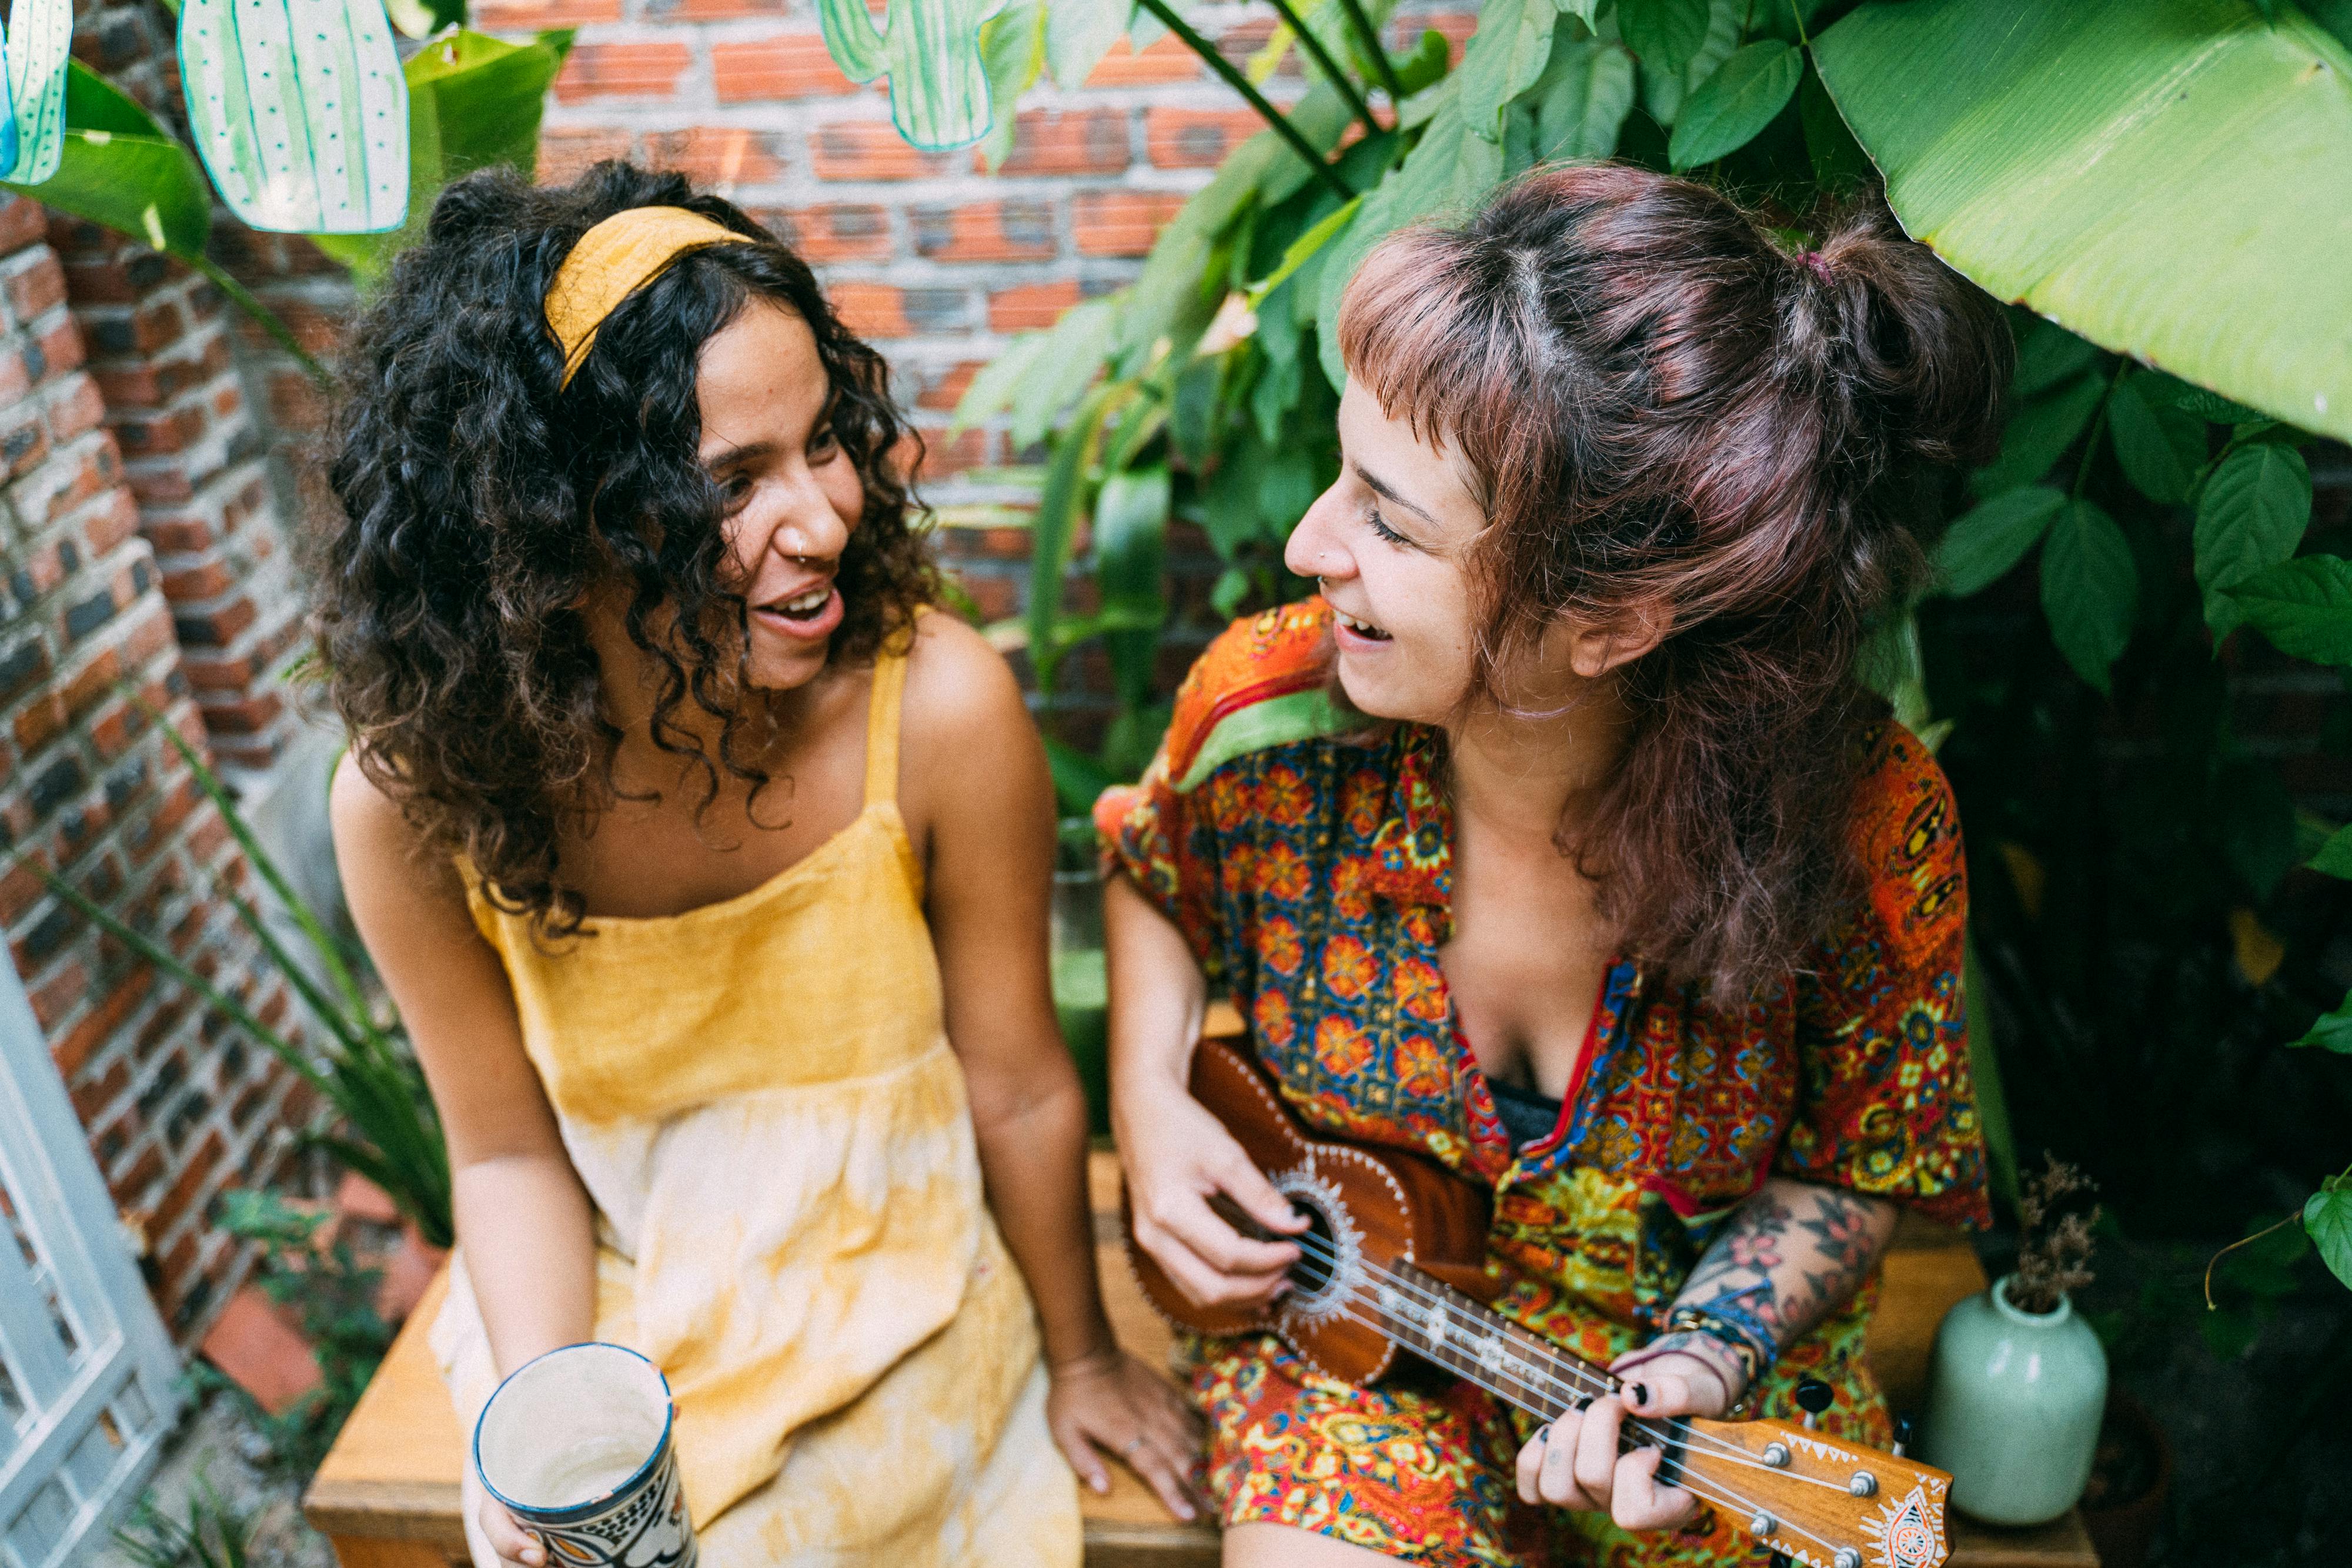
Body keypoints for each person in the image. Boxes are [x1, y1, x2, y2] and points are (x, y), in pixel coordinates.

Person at [1101, 163, 2008, 1568]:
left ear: (1614, 619)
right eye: (1343, 475)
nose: (1304, 544)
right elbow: (1151, 867)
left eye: (1389, 521)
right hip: (1348, 1339)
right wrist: (1149, 1102)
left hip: (1683, 1377)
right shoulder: (1262, 724)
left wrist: (1703, 1358)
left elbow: (1856, 1161)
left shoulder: (1866, 830)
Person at [320, 162, 1197, 1568]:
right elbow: (498, 1149)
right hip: (605, 1273)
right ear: (554, 529)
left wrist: (1084, 1355)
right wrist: (552, 1413)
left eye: (824, 440)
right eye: (734, 482)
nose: (826, 515)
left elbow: (1022, 1084)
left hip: (891, 1273)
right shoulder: (417, 801)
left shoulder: (940, 713)